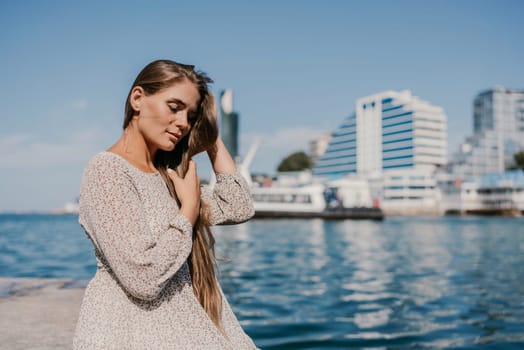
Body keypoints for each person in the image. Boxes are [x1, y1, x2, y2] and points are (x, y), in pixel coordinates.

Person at [73, 60, 257, 349]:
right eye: (174, 107)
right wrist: (188, 211)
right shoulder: (106, 171)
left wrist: (210, 135)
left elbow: (237, 205)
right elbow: (143, 278)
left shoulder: (169, 175)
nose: (183, 123)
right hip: (130, 335)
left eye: (191, 115)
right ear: (138, 99)